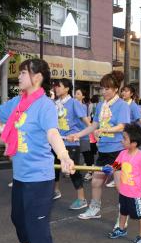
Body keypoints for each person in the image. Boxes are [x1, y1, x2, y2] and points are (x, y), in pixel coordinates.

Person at [0, 58, 74, 243]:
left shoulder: (45, 106)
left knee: (37, 227)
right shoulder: (18, 102)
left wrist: (64, 155)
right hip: (20, 176)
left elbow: (52, 133)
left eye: (24, 73)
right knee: (18, 218)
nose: (20, 76)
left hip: (39, 178)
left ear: (37, 77)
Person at [67, 71, 130, 220]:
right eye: (102, 88)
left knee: (119, 185)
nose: (104, 91)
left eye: (107, 88)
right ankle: (94, 209)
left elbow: (122, 126)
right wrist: (78, 135)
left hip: (117, 151)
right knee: (95, 182)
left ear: (116, 89)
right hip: (103, 151)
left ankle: (124, 213)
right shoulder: (101, 105)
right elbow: (93, 126)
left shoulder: (122, 105)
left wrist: (105, 130)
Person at [107, 123, 141, 243]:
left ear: (134, 143)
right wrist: (111, 169)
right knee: (123, 212)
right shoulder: (123, 154)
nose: (121, 140)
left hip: (135, 194)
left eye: (124, 138)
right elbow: (116, 167)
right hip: (123, 192)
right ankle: (121, 229)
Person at [52, 79, 89, 210]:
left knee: (73, 170)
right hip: (56, 141)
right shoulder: (55, 103)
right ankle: (55, 191)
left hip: (71, 142)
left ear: (67, 88)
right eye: (55, 86)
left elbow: (85, 120)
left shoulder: (73, 103)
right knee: (54, 168)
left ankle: (81, 199)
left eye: (59, 86)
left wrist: (93, 131)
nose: (56, 88)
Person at [74, 88, 94, 181]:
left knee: (86, 154)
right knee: (74, 153)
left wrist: (93, 130)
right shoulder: (75, 105)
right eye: (75, 94)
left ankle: (90, 171)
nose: (75, 95)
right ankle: (74, 170)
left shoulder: (82, 106)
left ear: (83, 96)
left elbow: (86, 120)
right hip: (74, 133)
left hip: (83, 133)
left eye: (78, 94)